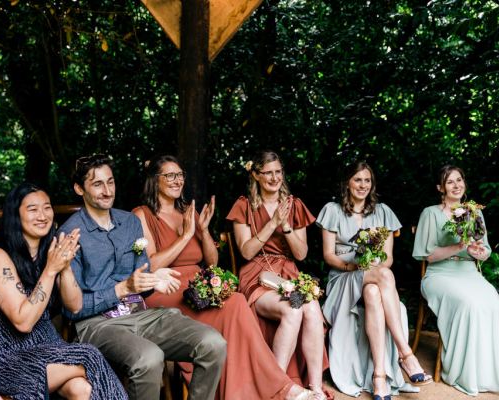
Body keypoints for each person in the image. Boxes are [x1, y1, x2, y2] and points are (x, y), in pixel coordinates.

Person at [133, 155, 318, 400]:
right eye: (170, 176)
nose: (177, 181)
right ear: (154, 181)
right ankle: (278, 388)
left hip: (200, 284)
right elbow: (151, 264)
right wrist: (186, 236)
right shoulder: (141, 215)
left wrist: (204, 230)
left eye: (180, 175)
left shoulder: (188, 212)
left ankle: (264, 387)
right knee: (233, 305)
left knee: (237, 301)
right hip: (166, 287)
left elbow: (211, 262)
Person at [58, 154, 227, 400]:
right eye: (97, 184)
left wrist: (153, 278)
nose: (107, 191)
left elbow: (141, 278)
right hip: (98, 324)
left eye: (111, 182)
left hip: (141, 314)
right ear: (78, 188)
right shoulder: (70, 234)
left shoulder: (129, 223)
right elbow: (72, 309)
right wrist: (123, 288)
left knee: (213, 343)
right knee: (149, 358)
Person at [0, 183, 126, 399]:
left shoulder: (50, 252)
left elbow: (74, 306)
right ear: (15, 215)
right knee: (90, 355)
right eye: (32, 209)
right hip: (10, 359)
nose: (42, 215)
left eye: (46, 207)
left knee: (82, 389)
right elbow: (23, 322)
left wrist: (64, 267)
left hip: (49, 347)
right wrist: (51, 269)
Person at [316, 161, 430, 399]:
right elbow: (328, 255)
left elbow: (387, 258)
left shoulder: (383, 212)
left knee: (373, 292)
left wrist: (372, 268)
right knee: (385, 276)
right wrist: (354, 266)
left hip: (374, 278)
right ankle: (406, 354)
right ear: (347, 182)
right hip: (343, 280)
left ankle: (379, 376)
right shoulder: (332, 210)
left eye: (367, 180)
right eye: (358, 179)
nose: (363, 185)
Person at [226, 151, 331, 400]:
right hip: (257, 274)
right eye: (268, 172)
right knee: (293, 309)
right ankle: (277, 387)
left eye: (278, 172)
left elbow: (302, 253)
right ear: (256, 175)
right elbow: (246, 251)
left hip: (289, 272)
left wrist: (285, 226)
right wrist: (272, 223)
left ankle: (315, 387)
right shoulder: (244, 205)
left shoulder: (295, 205)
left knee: (313, 309)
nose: (274, 177)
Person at [413, 165, 499, 396]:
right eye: (449, 182)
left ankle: (487, 372)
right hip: (439, 274)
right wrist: (458, 246)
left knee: (493, 303)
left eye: (459, 180)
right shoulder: (430, 213)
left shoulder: (474, 213)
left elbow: (484, 251)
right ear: (440, 188)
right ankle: (463, 372)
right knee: (468, 304)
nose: (456, 185)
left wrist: (477, 252)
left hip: (469, 272)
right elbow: (428, 256)